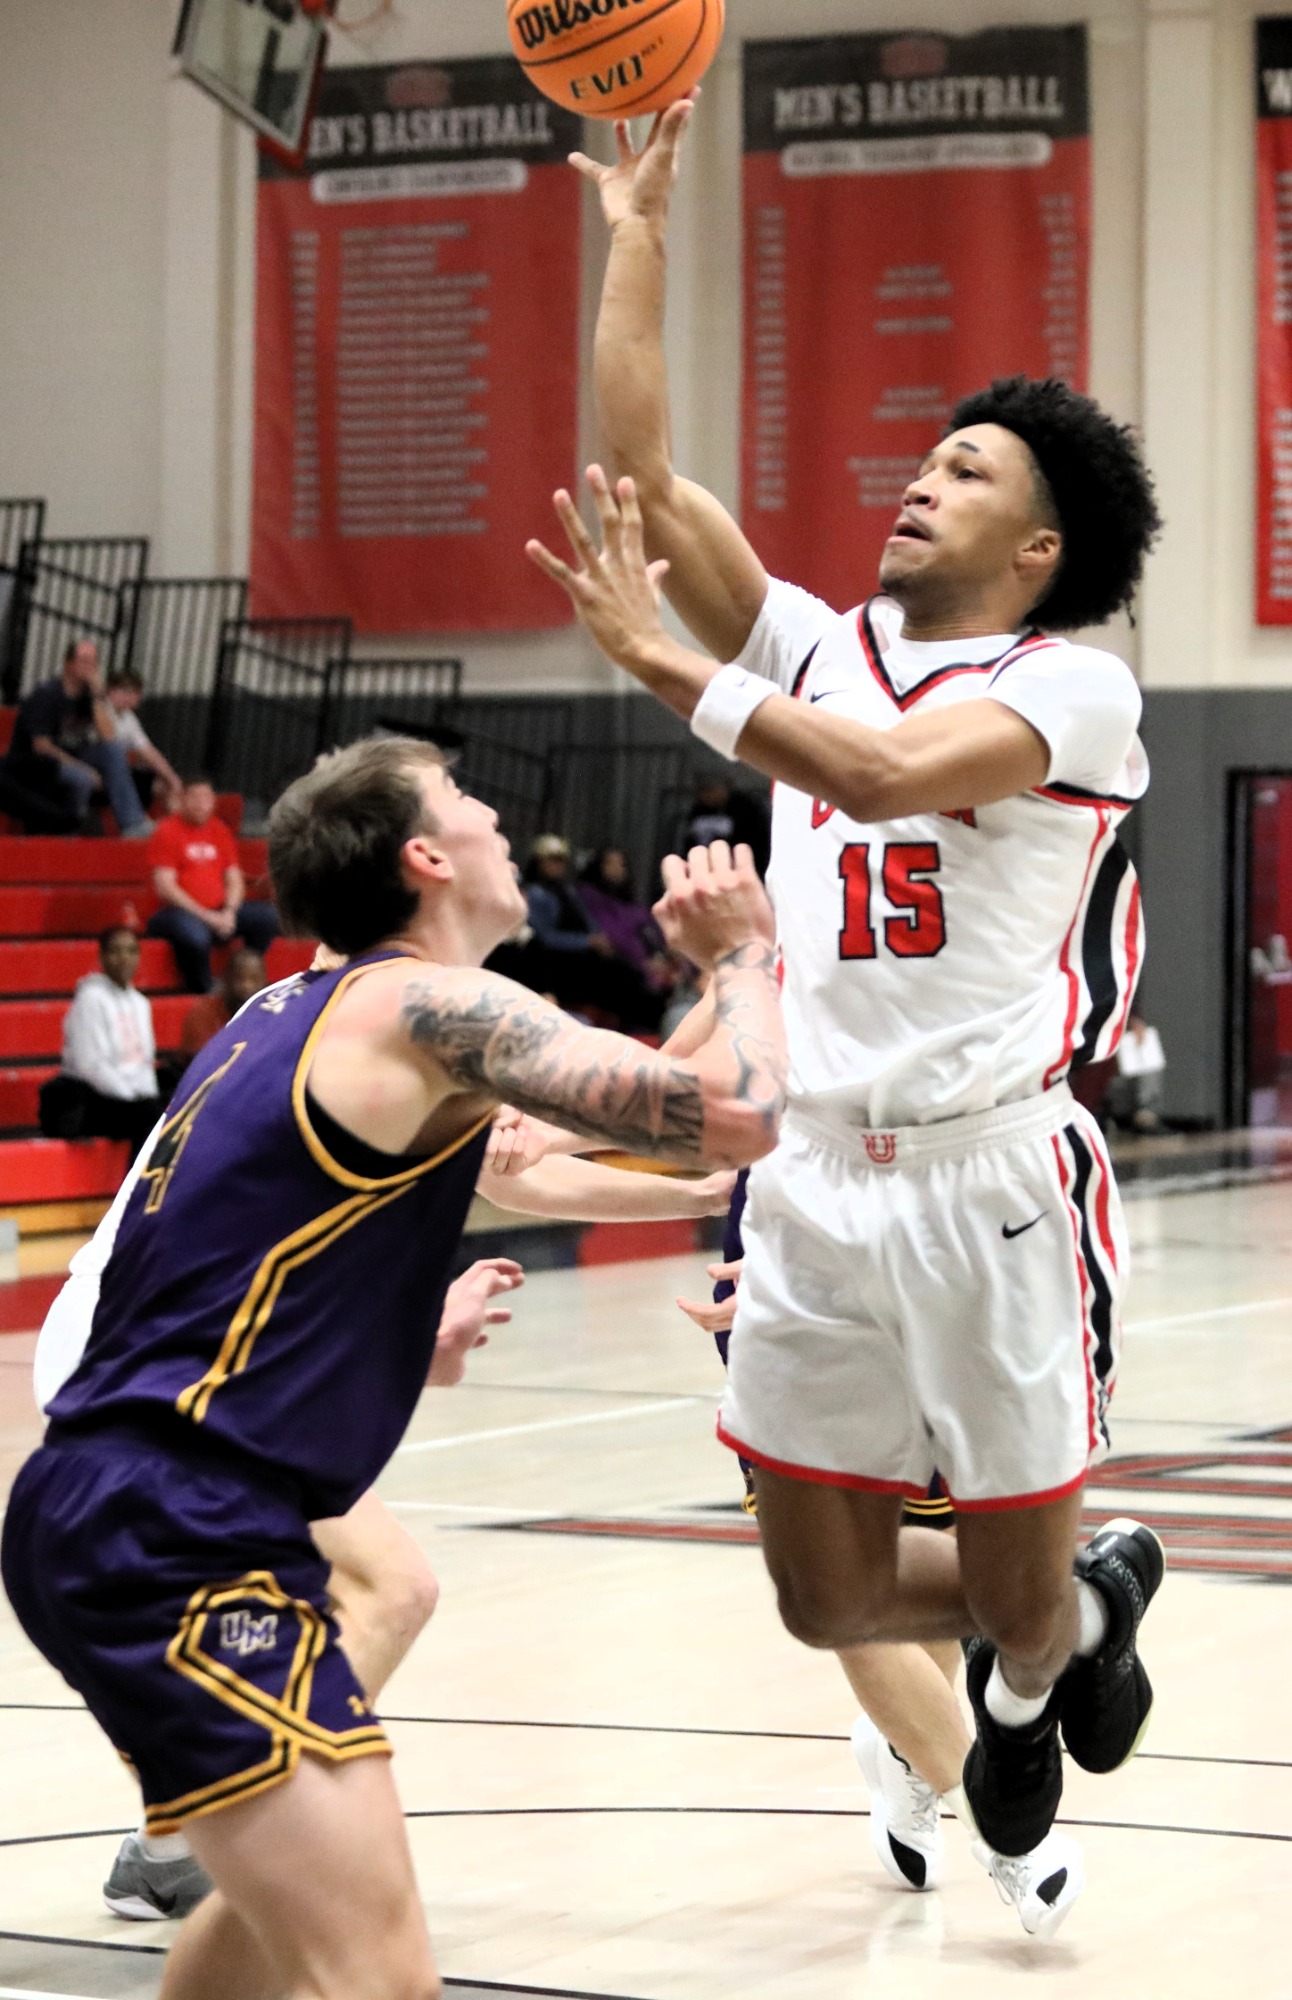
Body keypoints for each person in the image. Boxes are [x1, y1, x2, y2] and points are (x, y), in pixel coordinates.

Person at [524, 100, 1167, 1880]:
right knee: (821, 1605)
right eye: (928, 455)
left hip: (990, 1184)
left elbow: (883, 778)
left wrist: (667, 668)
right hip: (814, 1174)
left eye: (970, 471)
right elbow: (647, 484)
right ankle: (1082, 1616)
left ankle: (1056, 1642)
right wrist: (635, 232)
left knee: (1014, 1623)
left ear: (1037, 548)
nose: (924, 475)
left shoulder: (1076, 689)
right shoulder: (821, 642)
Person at [3, 733, 786, 1998]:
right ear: (425, 854)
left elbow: (235, 1253)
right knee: (380, 1973)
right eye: (470, 802)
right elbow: (741, 1106)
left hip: (156, 1503)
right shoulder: (433, 1005)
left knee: (269, 1939)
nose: (493, 820)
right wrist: (747, 950)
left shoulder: (296, 1013)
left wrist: (395, 1341)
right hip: (174, 1526)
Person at [3, 640, 152, 838]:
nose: (90, 667)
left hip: (73, 752)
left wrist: (99, 697)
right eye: (84, 661)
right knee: (81, 778)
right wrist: (83, 769)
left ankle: (132, 824)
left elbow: (109, 738)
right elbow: (41, 746)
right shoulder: (47, 694)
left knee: (113, 753)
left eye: (94, 662)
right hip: (36, 761)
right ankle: (67, 828)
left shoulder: (89, 695)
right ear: (68, 664)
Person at [39, 926, 165, 1161]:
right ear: (102, 957)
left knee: (166, 1111)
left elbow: (144, 1061)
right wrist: (132, 1098)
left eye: (130, 951)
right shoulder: (90, 999)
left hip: (133, 1098)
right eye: (115, 951)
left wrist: (149, 1096)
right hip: (96, 1097)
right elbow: (91, 1066)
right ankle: (136, 1191)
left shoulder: (140, 1003)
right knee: (149, 1116)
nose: (123, 959)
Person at [145, 776, 280, 993]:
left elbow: (234, 878)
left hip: (218, 910)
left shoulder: (219, 830)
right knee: (195, 935)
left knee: (267, 918)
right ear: (182, 799)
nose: (200, 803)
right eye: (194, 797)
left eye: (206, 798)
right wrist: (208, 917)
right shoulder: (167, 831)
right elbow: (166, 888)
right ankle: (204, 988)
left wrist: (229, 911)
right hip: (174, 913)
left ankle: (241, 977)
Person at [106, 669, 182, 818]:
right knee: (142, 776)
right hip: (101, 768)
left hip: (121, 768)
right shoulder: (103, 712)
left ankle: (174, 825)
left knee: (160, 782)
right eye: (124, 691)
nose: (129, 697)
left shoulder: (129, 718)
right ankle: (138, 820)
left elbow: (148, 750)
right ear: (110, 691)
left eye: (134, 693)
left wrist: (172, 778)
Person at [179, 949, 268, 1067]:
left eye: (254, 980)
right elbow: (199, 1065)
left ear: (265, 983)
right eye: (240, 979)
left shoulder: (270, 1015)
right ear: (226, 980)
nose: (246, 986)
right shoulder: (202, 1013)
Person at [682, 777, 771, 878]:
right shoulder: (699, 810)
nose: (706, 797)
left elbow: (757, 841)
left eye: (709, 791)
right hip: (703, 865)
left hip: (738, 866)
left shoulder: (745, 809)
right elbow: (690, 838)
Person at [1109, 1013, 1166, 1132]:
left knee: (1149, 1077)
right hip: (1126, 1079)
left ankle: (1146, 1115)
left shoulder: (1149, 1039)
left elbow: (1154, 1063)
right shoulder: (1124, 1041)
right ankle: (1143, 1115)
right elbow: (1127, 1068)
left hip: (1142, 1077)